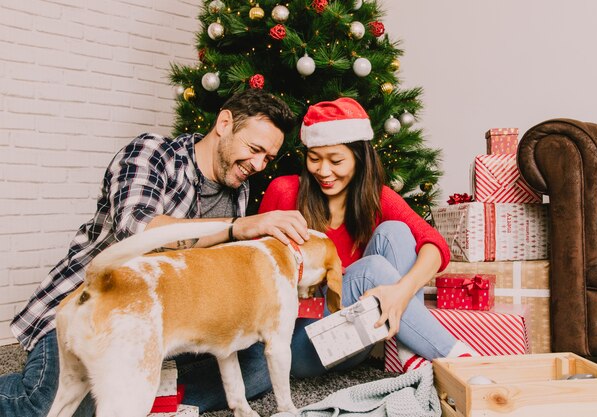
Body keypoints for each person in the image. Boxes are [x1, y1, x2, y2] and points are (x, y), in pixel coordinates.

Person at [0, 89, 307, 417]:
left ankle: (149, 391)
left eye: (267, 158)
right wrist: (237, 227)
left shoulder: (238, 186)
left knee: (258, 365)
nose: (258, 165)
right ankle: (127, 387)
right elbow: (137, 229)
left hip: (169, 317)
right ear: (224, 123)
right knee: (50, 406)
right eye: (254, 149)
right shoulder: (153, 152)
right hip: (93, 302)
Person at [258, 97, 475, 377]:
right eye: (314, 159)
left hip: (353, 337)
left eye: (336, 161)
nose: (323, 171)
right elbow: (255, 272)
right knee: (369, 272)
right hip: (295, 344)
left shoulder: (377, 197)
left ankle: (408, 353)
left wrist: (401, 292)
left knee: (395, 232)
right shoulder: (285, 191)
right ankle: (464, 362)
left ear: (360, 159)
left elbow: (435, 245)